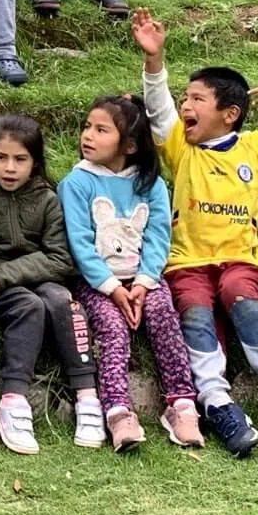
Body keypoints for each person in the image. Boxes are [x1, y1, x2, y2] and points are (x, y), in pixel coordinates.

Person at [134, 10, 258, 456]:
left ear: (229, 114)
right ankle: (216, 401)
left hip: (242, 262)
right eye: (184, 98)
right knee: (194, 312)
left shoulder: (257, 149)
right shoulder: (180, 148)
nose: (185, 106)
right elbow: (157, 107)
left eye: (197, 100)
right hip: (187, 263)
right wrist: (155, 60)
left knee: (241, 297)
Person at [58, 94, 204, 453]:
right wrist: (111, 288)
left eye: (101, 130)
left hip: (142, 278)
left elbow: (157, 235)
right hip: (97, 281)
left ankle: (181, 404)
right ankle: (118, 412)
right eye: (87, 127)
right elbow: (79, 241)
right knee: (111, 327)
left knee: (163, 315)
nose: (88, 135)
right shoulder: (76, 183)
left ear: (130, 144)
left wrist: (143, 282)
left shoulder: (150, 183)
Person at [0, 113, 97, 455]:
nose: (10, 167)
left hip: (37, 275)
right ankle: (13, 399)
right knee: (29, 306)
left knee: (63, 302)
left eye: (20, 159)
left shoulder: (47, 197)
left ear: (35, 161)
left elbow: (61, 259)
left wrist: (8, 273)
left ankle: (87, 395)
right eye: (1, 157)